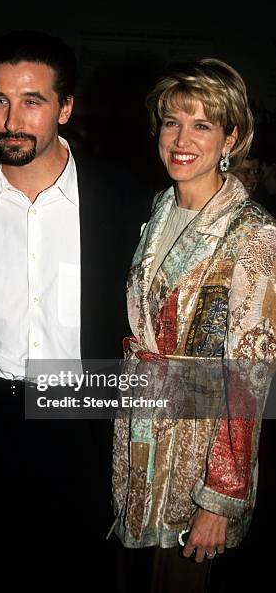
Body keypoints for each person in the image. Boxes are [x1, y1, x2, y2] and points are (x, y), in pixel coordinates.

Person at [0, 30, 150, 592]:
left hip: (80, 410)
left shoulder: (124, 196)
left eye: (32, 101)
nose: (12, 119)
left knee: (77, 570)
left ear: (66, 107)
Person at [112, 58, 276, 593]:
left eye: (202, 124)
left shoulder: (253, 233)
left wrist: (220, 498)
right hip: (142, 436)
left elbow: (250, 374)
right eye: (171, 122)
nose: (181, 139)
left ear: (233, 137)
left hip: (198, 454)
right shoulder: (160, 206)